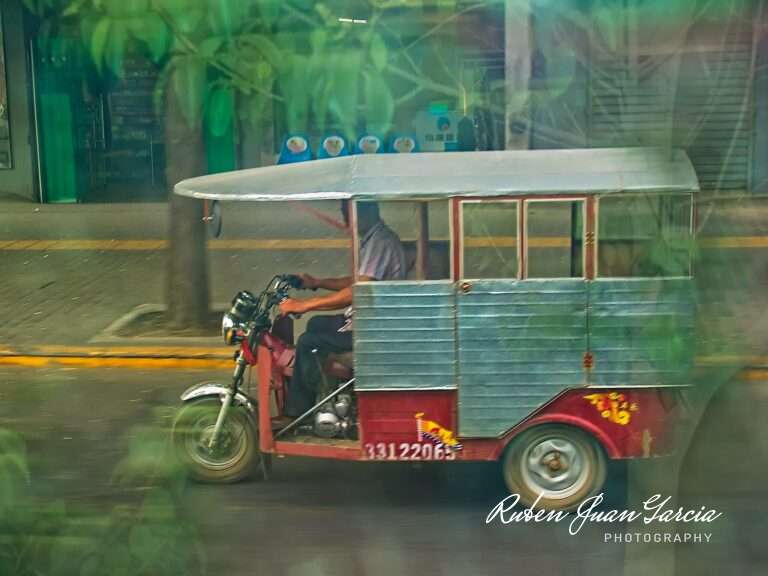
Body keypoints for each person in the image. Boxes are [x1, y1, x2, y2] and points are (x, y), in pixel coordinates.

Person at [276, 201, 406, 425]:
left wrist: (304, 305)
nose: (346, 220)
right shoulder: (374, 239)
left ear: (366, 212)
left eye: (349, 213)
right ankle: (325, 394)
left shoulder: (381, 242)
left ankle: (297, 413)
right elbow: (356, 280)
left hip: (373, 330)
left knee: (308, 342)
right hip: (366, 320)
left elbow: (356, 291)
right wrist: (317, 282)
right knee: (316, 324)